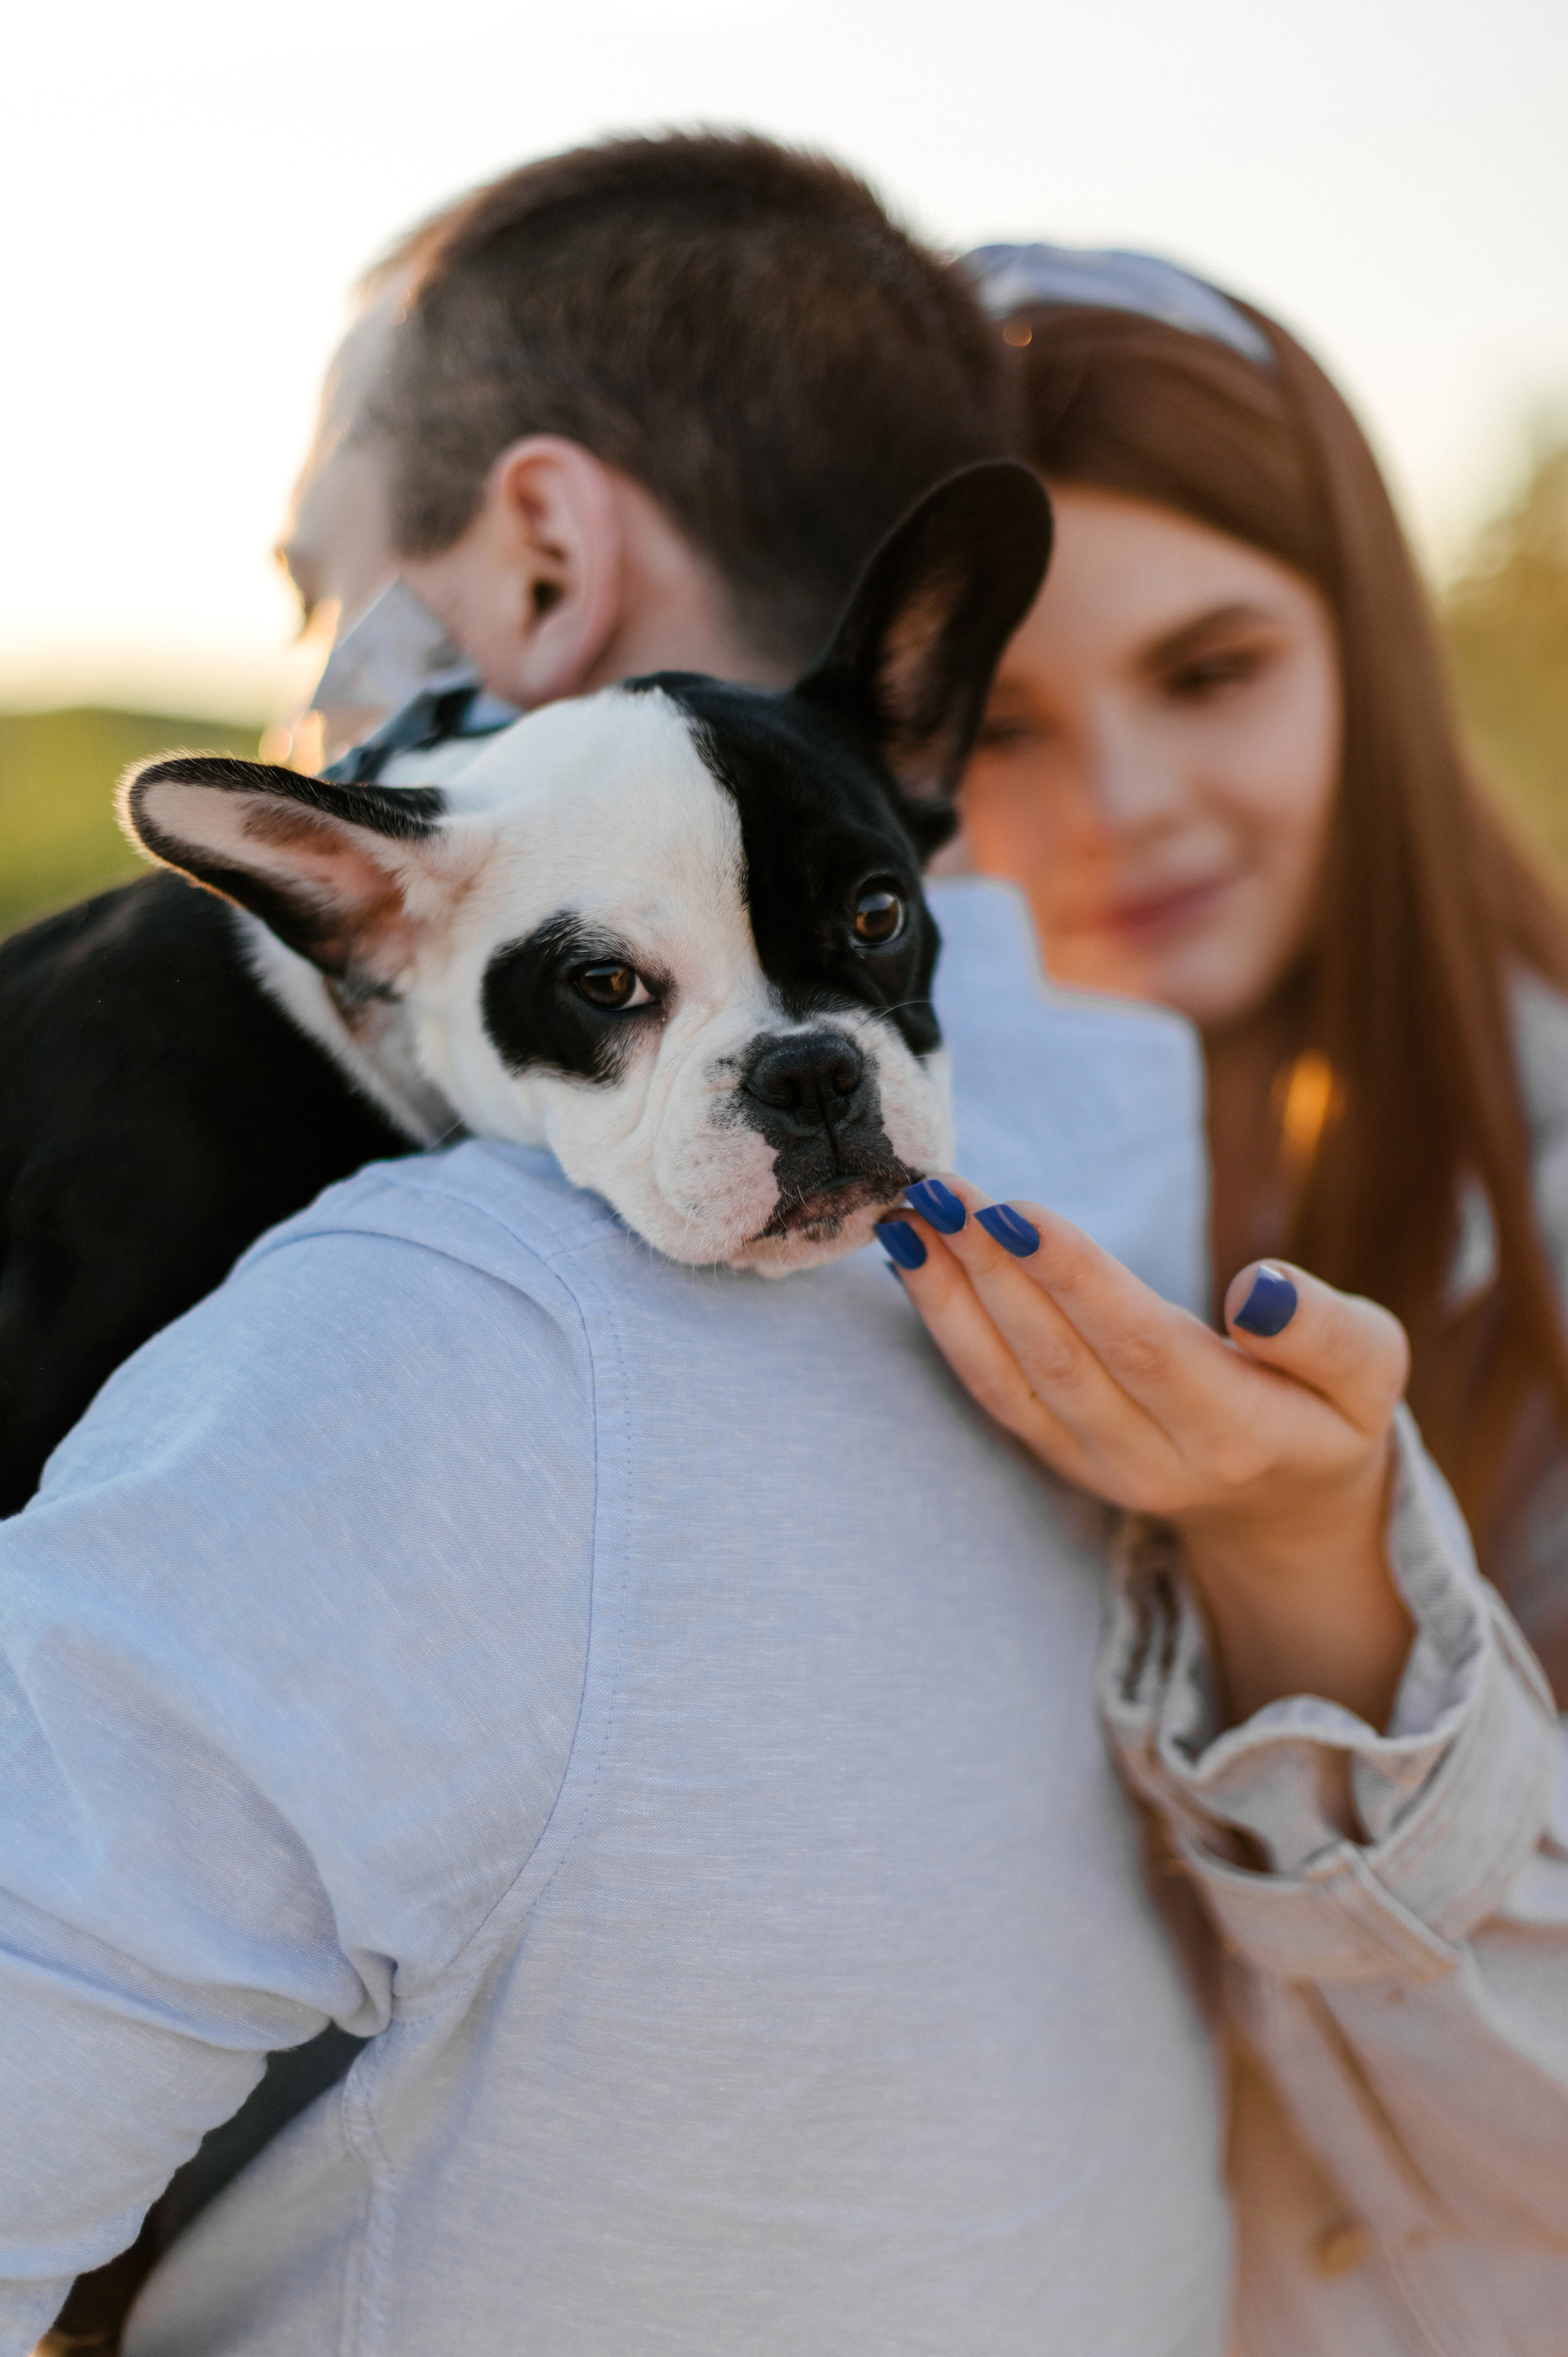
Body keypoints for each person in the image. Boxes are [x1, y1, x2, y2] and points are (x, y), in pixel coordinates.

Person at [8, 147, 1213, 2356]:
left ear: (539, 562)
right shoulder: (1144, 1130)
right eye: (624, 998)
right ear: (352, 900)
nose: (320, 665)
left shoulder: (416, 1352)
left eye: (324, 584)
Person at [874, 246, 1568, 2351]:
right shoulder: (833, 1213)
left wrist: (1306, 1569)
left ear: (1366, 639)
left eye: (1213, 670)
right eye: (1000, 727)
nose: (1125, 812)